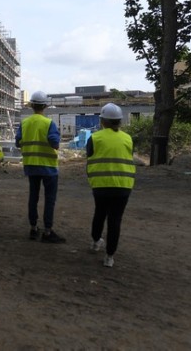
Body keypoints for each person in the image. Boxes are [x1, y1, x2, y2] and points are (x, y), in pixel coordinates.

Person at [86, 103, 135, 268]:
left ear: (102, 121)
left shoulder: (95, 138)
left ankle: (95, 242)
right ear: (119, 121)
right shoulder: (128, 138)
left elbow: (90, 156)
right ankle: (109, 256)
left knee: (100, 213)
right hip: (123, 185)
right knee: (115, 220)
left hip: (101, 184)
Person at [15, 91, 65, 243]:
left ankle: (33, 228)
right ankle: (48, 232)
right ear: (45, 105)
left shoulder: (24, 123)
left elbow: (18, 142)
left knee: (33, 197)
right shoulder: (49, 123)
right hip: (48, 167)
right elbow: (54, 143)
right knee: (49, 199)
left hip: (31, 166)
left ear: (31, 105)